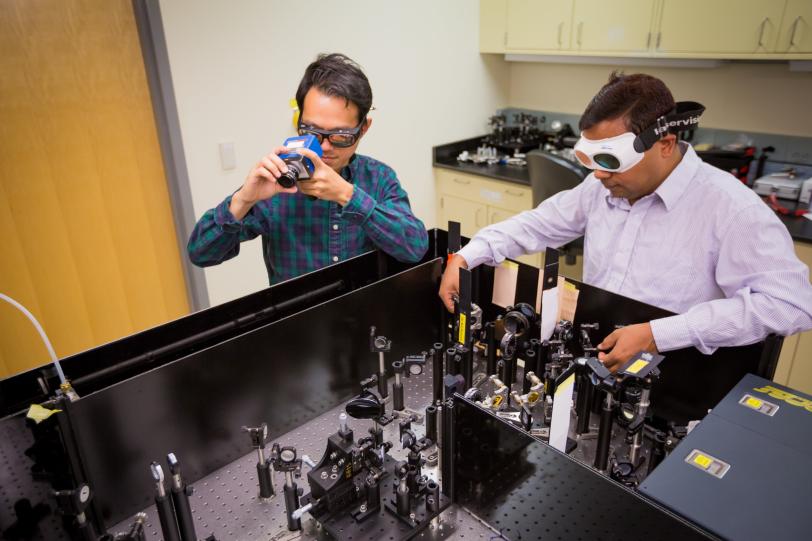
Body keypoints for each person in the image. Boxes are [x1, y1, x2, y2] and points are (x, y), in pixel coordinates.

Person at [439, 72, 812, 371]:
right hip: (596, 355)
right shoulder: (601, 188)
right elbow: (538, 224)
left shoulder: (733, 210)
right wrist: (469, 256)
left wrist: (659, 334)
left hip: (678, 373)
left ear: (665, 143)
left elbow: (791, 304)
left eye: (611, 161)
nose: (599, 176)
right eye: (591, 160)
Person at [188, 53, 428, 284]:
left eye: (340, 136)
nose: (323, 147)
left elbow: (414, 248)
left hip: (363, 317)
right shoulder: (277, 182)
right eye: (312, 131)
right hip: (298, 321)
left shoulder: (378, 178)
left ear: (364, 128)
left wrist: (348, 196)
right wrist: (243, 200)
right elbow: (201, 253)